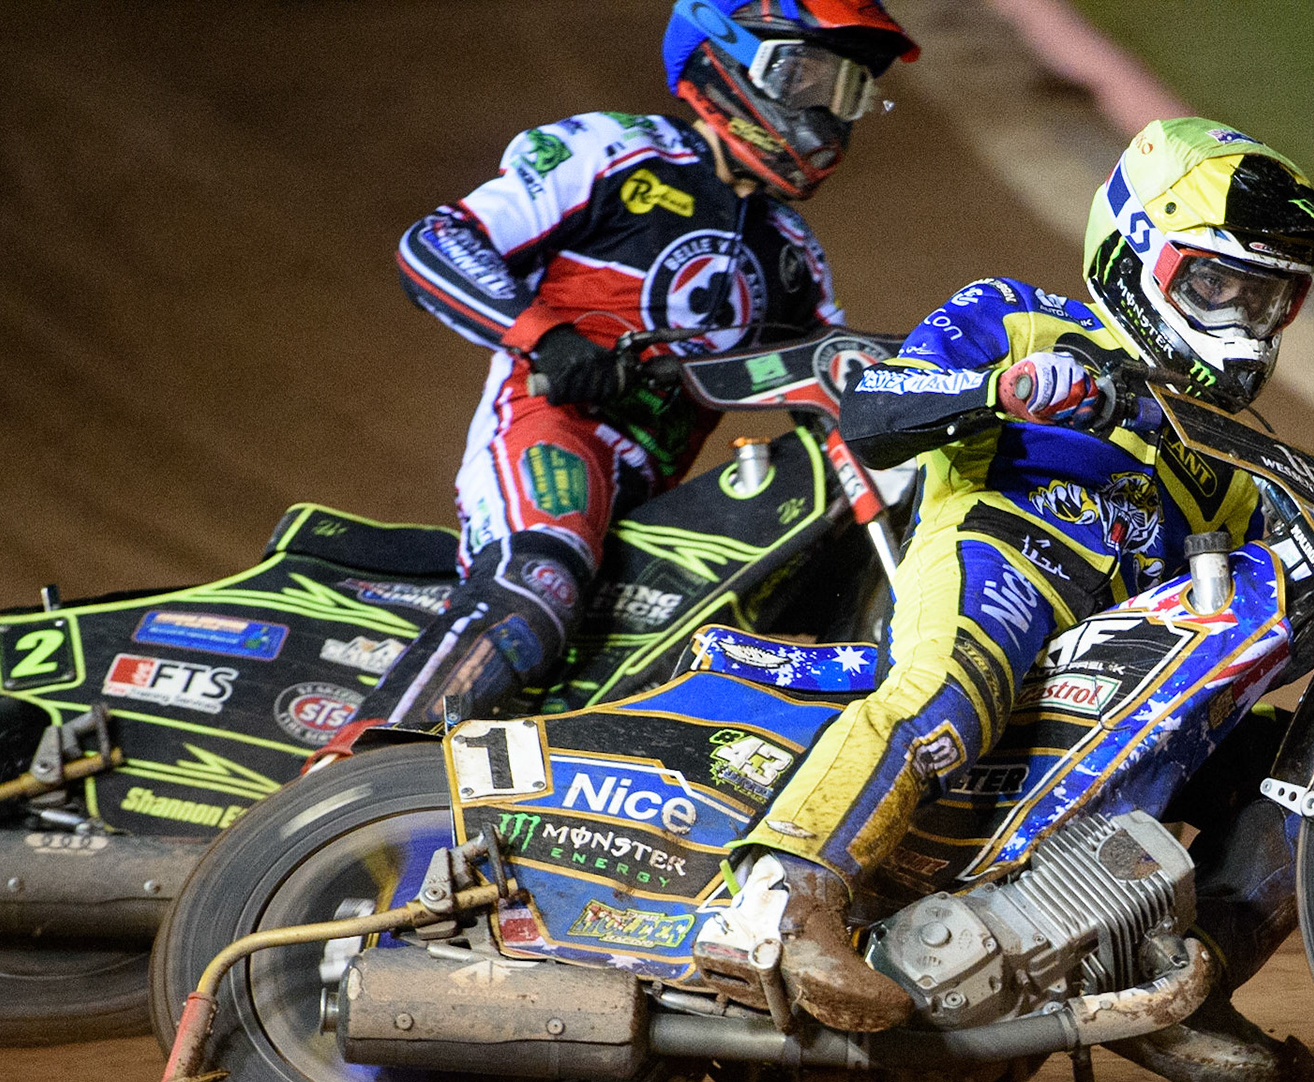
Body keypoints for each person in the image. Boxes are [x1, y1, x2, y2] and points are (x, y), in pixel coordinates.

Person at [712, 117, 1314, 1082]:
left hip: (1097, 675)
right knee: (951, 688)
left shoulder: (1219, 451)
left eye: (1268, 295)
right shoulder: (1020, 317)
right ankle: (778, 901)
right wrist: (1000, 386)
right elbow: (876, 404)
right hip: (995, 555)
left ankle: (1174, 986)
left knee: (1298, 772)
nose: (1240, 318)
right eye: (1216, 283)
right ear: (1136, 255)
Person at [317, 0, 919, 757]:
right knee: (542, 577)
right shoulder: (613, 151)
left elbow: (832, 388)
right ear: (725, 56)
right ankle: (341, 776)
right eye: (809, 78)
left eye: (851, 91)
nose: (829, 113)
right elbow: (436, 241)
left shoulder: (791, 250)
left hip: (653, 501)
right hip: (551, 431)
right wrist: (549, 341)